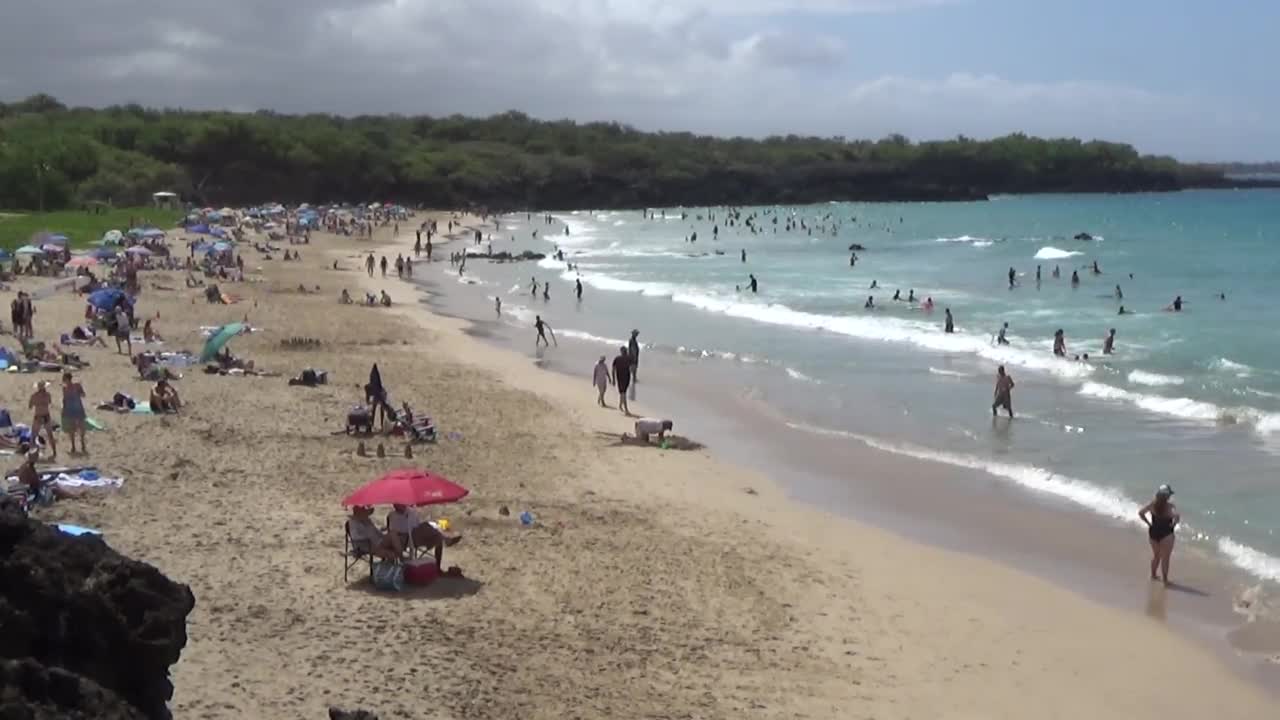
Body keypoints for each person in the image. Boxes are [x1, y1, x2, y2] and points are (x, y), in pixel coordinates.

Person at [389, 503, 461, 568]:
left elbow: (416, 524)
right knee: (426, 526)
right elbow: (394, 531)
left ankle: (437, 567)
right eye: (396, 505)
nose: (397, 506)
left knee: (436, 537)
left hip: (416, 537)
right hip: (404, 539)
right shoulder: (392, 515)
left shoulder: (411, 512)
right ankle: (446, 540)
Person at [1139, 485, 1179, 584]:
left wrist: (1148, 523)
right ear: (1167, 496)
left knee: (1156, 555)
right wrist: (1173, 524)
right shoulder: (1170, 506)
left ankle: (1153, 575)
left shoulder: (1152, 504)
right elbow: (1176, 516)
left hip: (1153, 532)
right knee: (1166, 558)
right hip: (1166, 534)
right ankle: (1165, 580)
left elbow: (1141, 513)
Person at [28, 381, 57, 460]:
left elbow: (30, 406)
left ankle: (32, 452)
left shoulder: (34, 396)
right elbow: (49, 402)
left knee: (34, 436)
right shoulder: (47, 395)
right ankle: (54, 452)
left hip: (38, 416)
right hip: (46, 416)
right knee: (49, 435)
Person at [60, 372, 87, 455]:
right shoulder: (65, 388)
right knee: (71, 428)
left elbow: (83, 395)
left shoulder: (77, 386)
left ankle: (82, 443)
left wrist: (79, 392)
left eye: (64, 379)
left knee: (81, 427)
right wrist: (63, 410)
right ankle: (73, 446)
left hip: (77, 407)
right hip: (69, 408)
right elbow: (64, 399)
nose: (64, 381)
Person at [612, 346, 632, 415]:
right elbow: (632, 368)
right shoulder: (628, 358)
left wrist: (613, 379)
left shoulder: (617, 359)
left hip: (622, 378)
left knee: (622, 393)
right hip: (625, 378)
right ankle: (626, 409)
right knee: (623, 393)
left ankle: (620, 405)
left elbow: (613, 369)